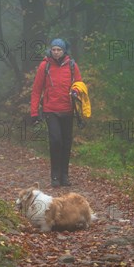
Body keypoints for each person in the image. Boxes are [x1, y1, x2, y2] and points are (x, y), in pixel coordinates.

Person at [30, 38, 82, 187]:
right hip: (50, 110)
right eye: (54, 49)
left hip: (68, 109)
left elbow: (79, 83)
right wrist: (34, 112)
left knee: (66, 143)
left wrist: (75, 90)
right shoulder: (44, 66)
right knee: (55, 140)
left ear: (64, 51)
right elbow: (36, 90)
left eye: (59, 49)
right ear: (50, 50)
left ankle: (64, 175)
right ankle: (54, 176)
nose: (56, 52)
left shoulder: (72, 65)